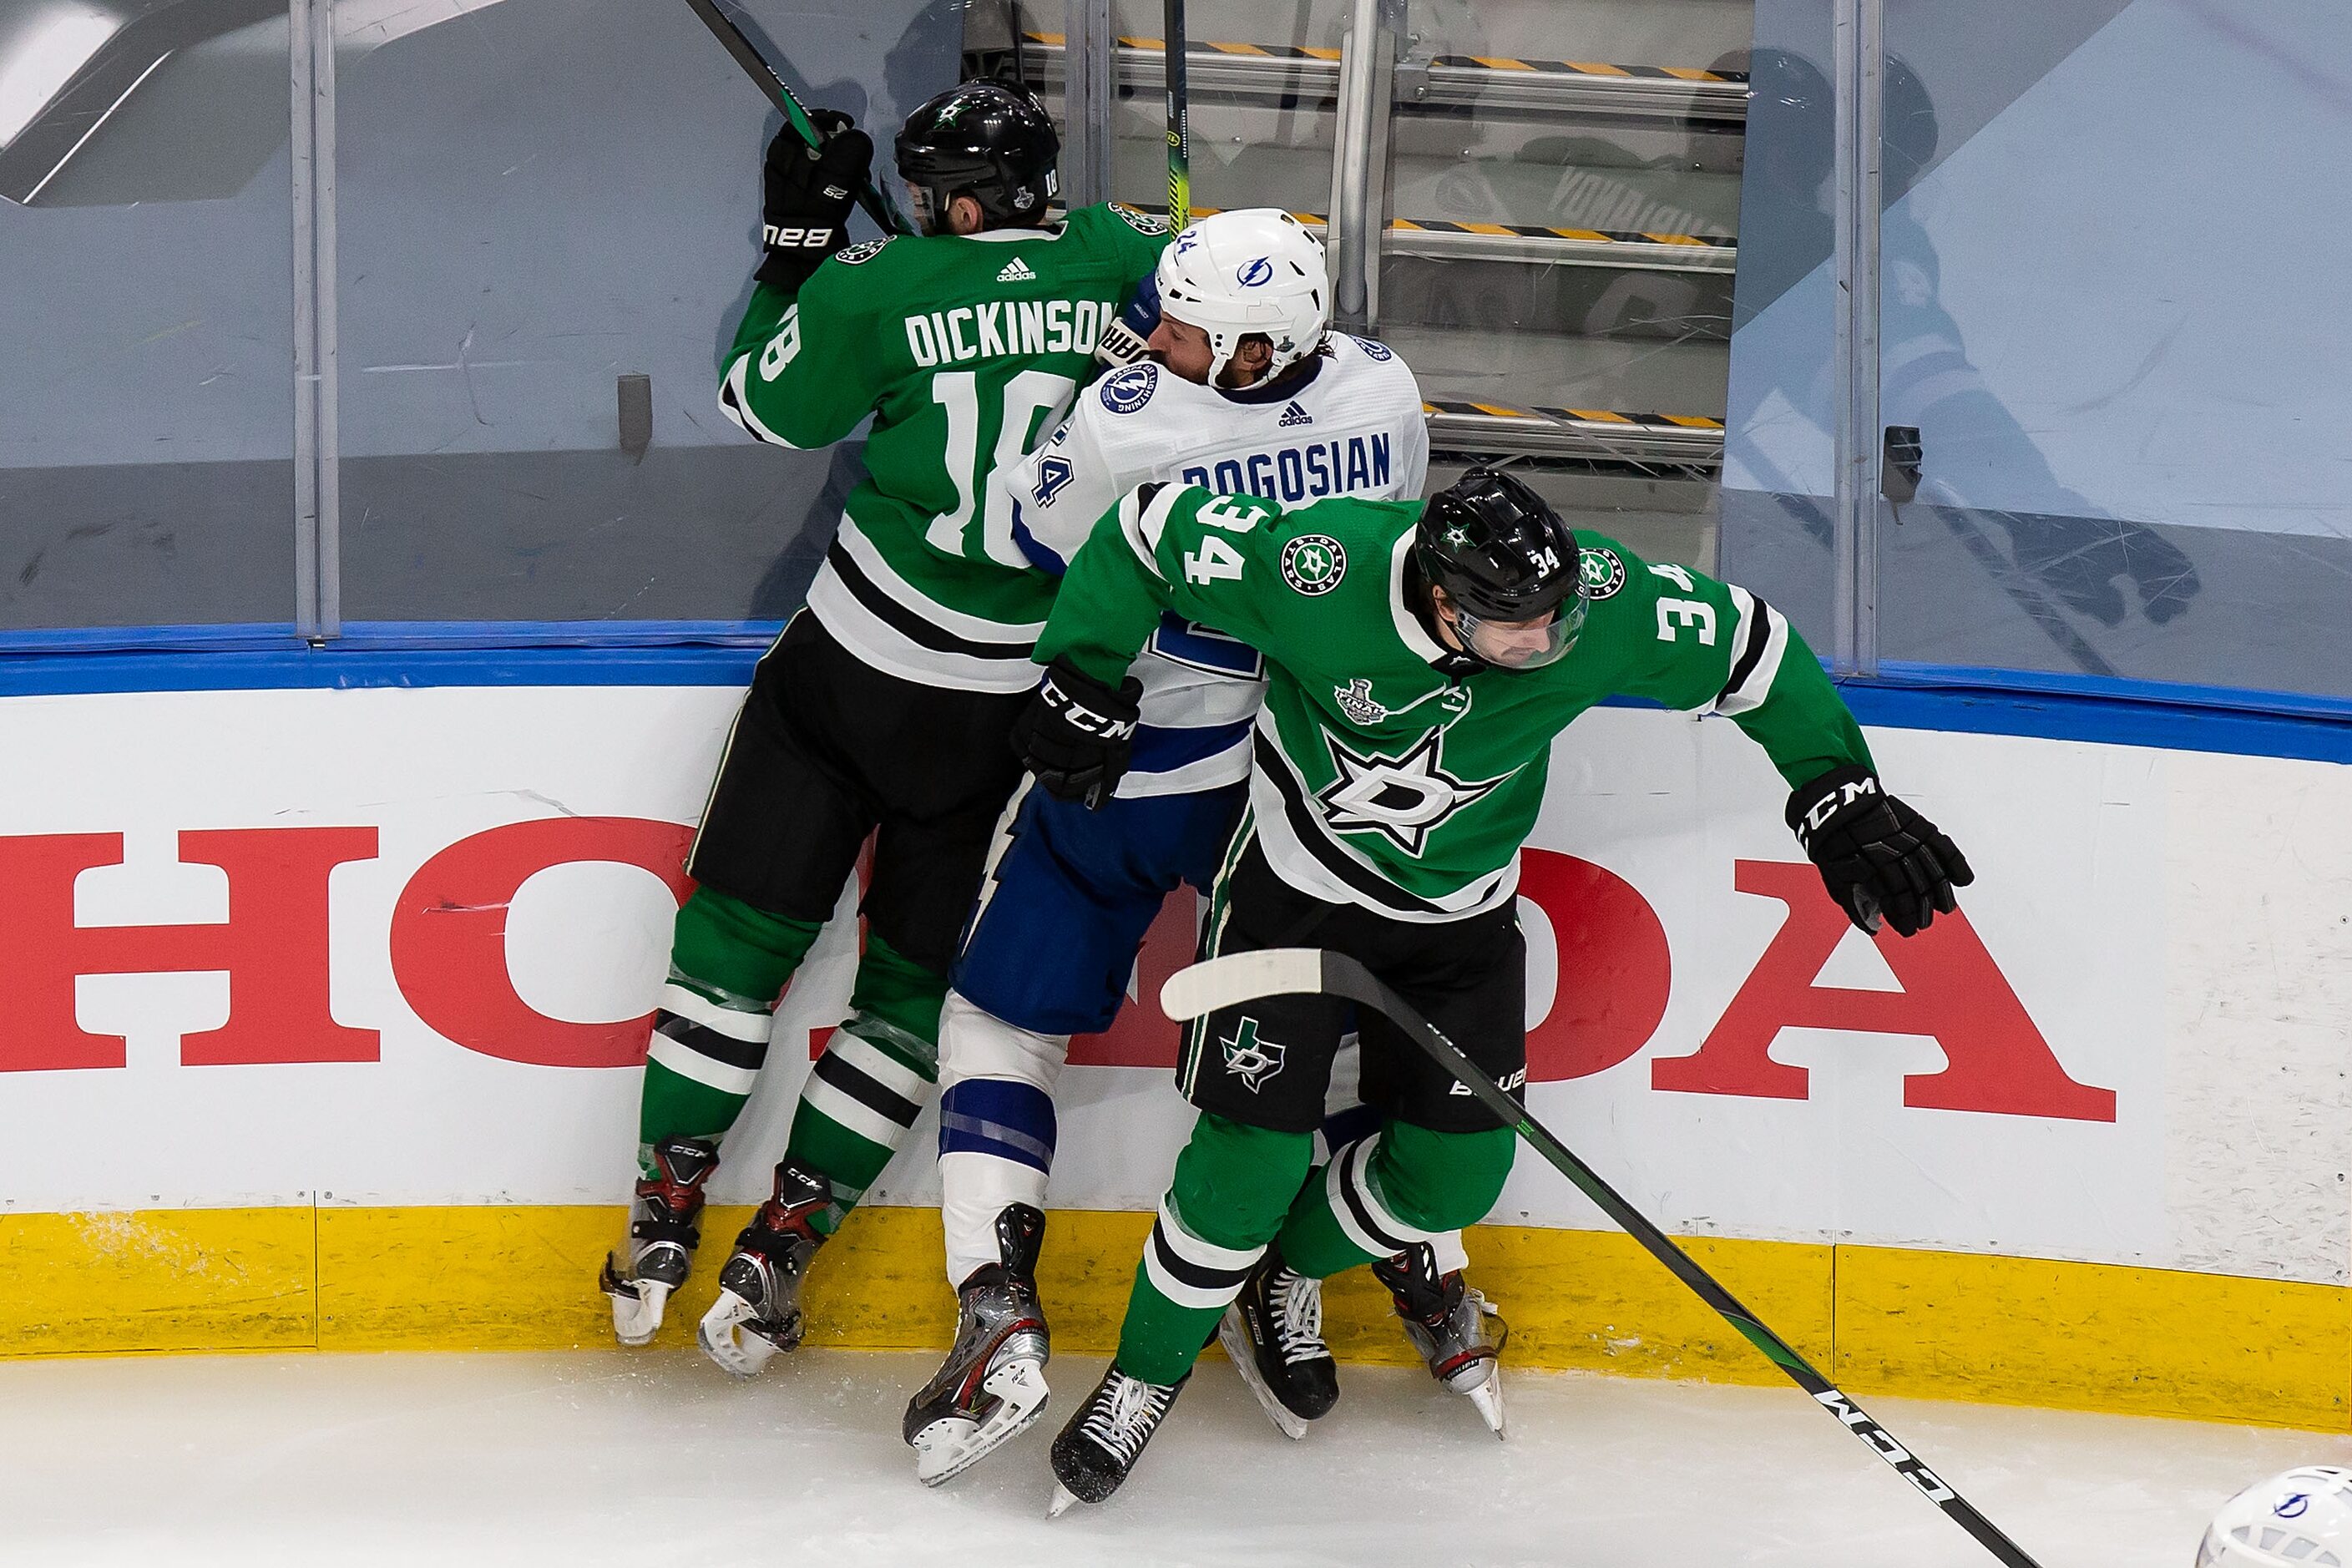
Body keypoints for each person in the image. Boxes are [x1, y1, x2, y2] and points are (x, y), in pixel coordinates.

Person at [1014, 468, 1974, 1510]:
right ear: (1439, 599)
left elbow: (1752, 647)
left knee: (1454, 1183)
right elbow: (1148, 530)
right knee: (1245, 1164)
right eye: (1516, 627)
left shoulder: (1596, 601)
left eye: (1556, 615)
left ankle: (1286, 1275)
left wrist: (1834, 791)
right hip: (1293, 897)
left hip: (1459, 925)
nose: (1549, 642)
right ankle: (1139, 1379)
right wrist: (1082, 667)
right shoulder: (1317, 567)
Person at [899, 209, 1497, 1485]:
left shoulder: (1131, 411)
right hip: (1306, 780)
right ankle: (1400, 1257)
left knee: (1000, 1021)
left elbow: (1024, 537)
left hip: (1144, 765)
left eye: (1185, 327)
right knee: (1339, 1028)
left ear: (1248, 345)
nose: (1158, 337)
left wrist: (1098, 395)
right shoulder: (1383, 389)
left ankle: (994, 1299)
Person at [598, 80, 1172, 1374]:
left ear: (953, 195)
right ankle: (784, 1244)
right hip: (1009, 705)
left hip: (854, 667)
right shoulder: (1129, 256)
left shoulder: (880, 284)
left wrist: (791, 254)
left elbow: (760, 404)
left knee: (739, 937)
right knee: (910, 994)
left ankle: (664, 1208)